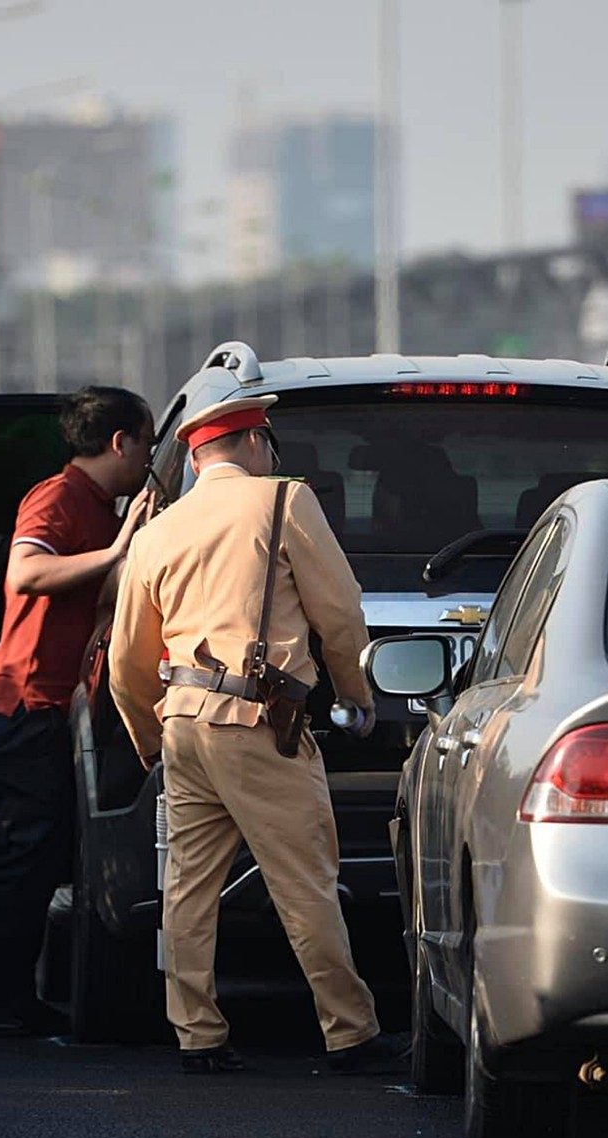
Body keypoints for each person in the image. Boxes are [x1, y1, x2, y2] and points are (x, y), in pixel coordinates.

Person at [107, 395, 403, 1075]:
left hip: (183, 724)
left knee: (188, 884)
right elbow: (340, 613)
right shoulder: (283, 502)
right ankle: (350, 1029)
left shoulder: (159, 530)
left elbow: (127, 659)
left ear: (199, 455)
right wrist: (357, 699)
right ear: (252, 444)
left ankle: (198, 1033)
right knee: (304, 880)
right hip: (260, 723)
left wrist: (149, 739)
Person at [0, 386, 157, 1037]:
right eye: (145, 442)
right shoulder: (57, 497)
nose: (149, 456)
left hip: (48, 713)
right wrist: (119, 552)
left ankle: (7, 992)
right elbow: (25, 573)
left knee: (44, 857)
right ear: (120, 442)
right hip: (23, 709)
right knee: (27, 858)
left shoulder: (102, 506)